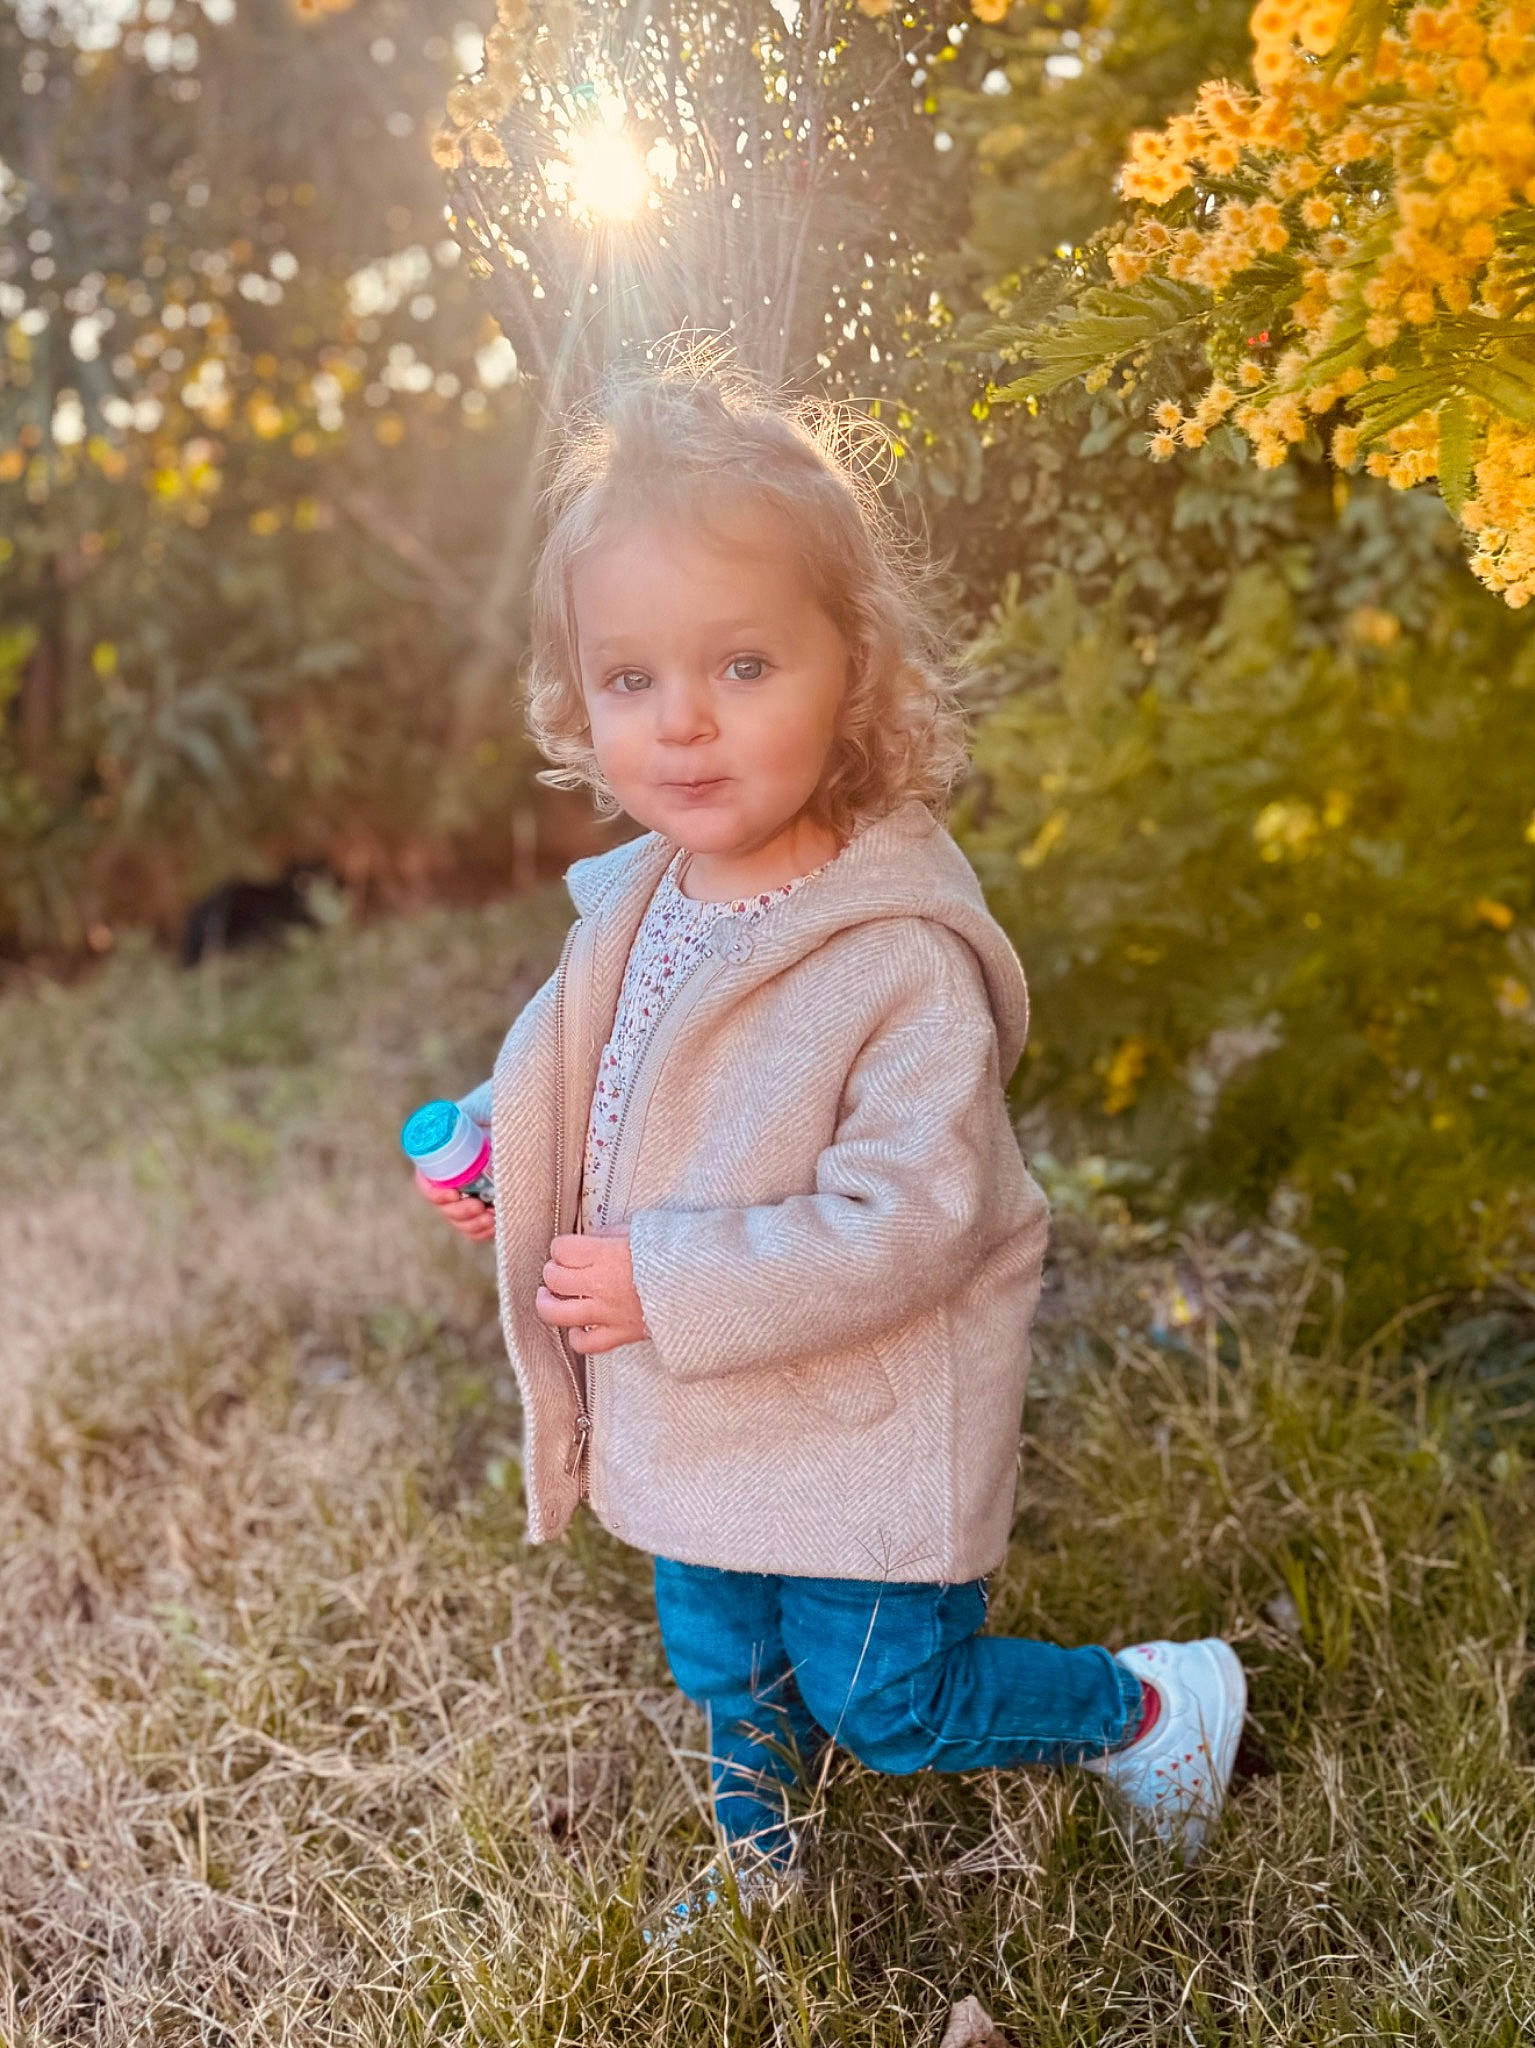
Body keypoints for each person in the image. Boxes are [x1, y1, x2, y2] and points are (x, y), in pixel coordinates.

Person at [415, 343, 1246, 1923]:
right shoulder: (639, 902)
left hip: (856, 1411)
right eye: (632, 680)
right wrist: (490, 1142)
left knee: (888, 1696)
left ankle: (1148, 1707)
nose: (685, 724)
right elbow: (574, 1066)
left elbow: (916, 1217)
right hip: (693, 1411)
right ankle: (761, 1861)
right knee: (725, 1658)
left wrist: (665, 1283)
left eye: (743, 665)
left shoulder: (897, 955)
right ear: (578, 700)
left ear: (850, 670)